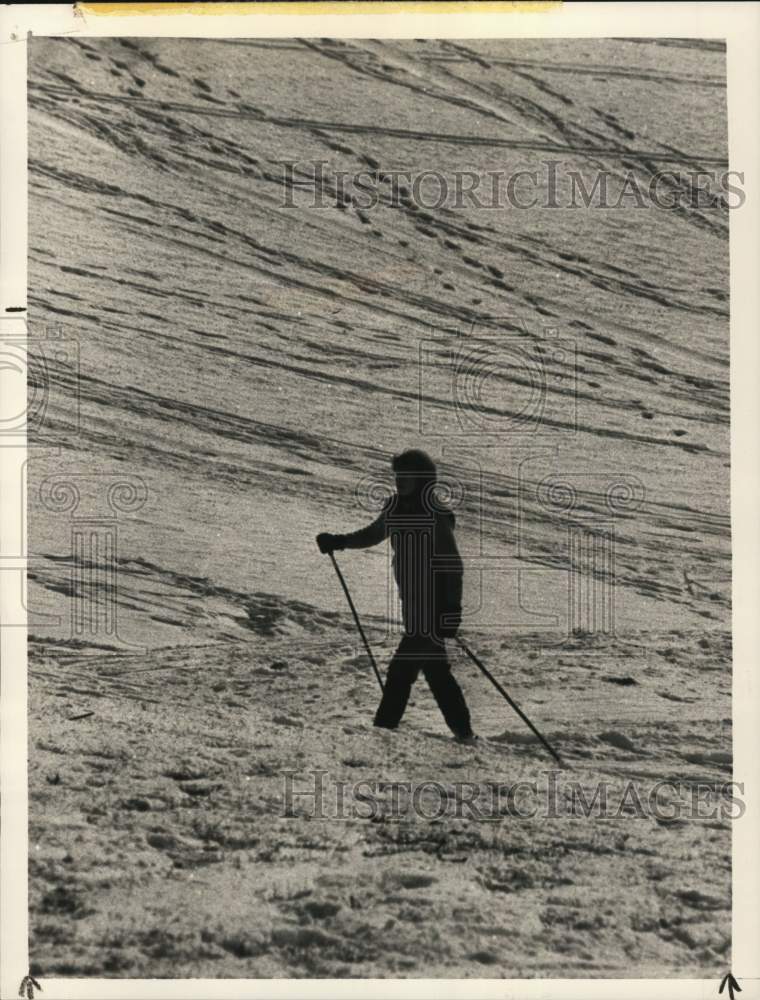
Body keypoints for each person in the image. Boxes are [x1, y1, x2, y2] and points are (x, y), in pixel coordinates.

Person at [316, 449, 476, 743]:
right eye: (398, 475)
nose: (400, 481)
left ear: (422, 479)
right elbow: (373, 534)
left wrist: (451, 608)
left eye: (407, 475)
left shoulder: (434, 514)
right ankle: (463, 733)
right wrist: (339, 541)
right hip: (412, 605)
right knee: (436, 672)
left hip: (433, 607)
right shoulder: (396, 508)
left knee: (401, 670)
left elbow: (452, 564)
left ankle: (382, 731)